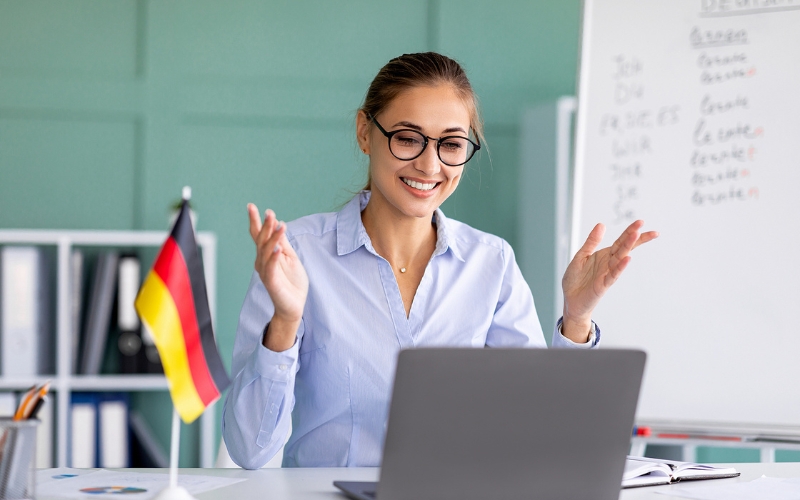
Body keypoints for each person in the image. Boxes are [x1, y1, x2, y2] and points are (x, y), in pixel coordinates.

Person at [222, 52, 657, 470]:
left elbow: (548, 435)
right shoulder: (295, 256)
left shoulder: (492, 264)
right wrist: (285, 320)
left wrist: (577, 318)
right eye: (407, 138)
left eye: (451, 144)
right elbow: (249, 451)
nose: (430, 165)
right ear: (364, 131)